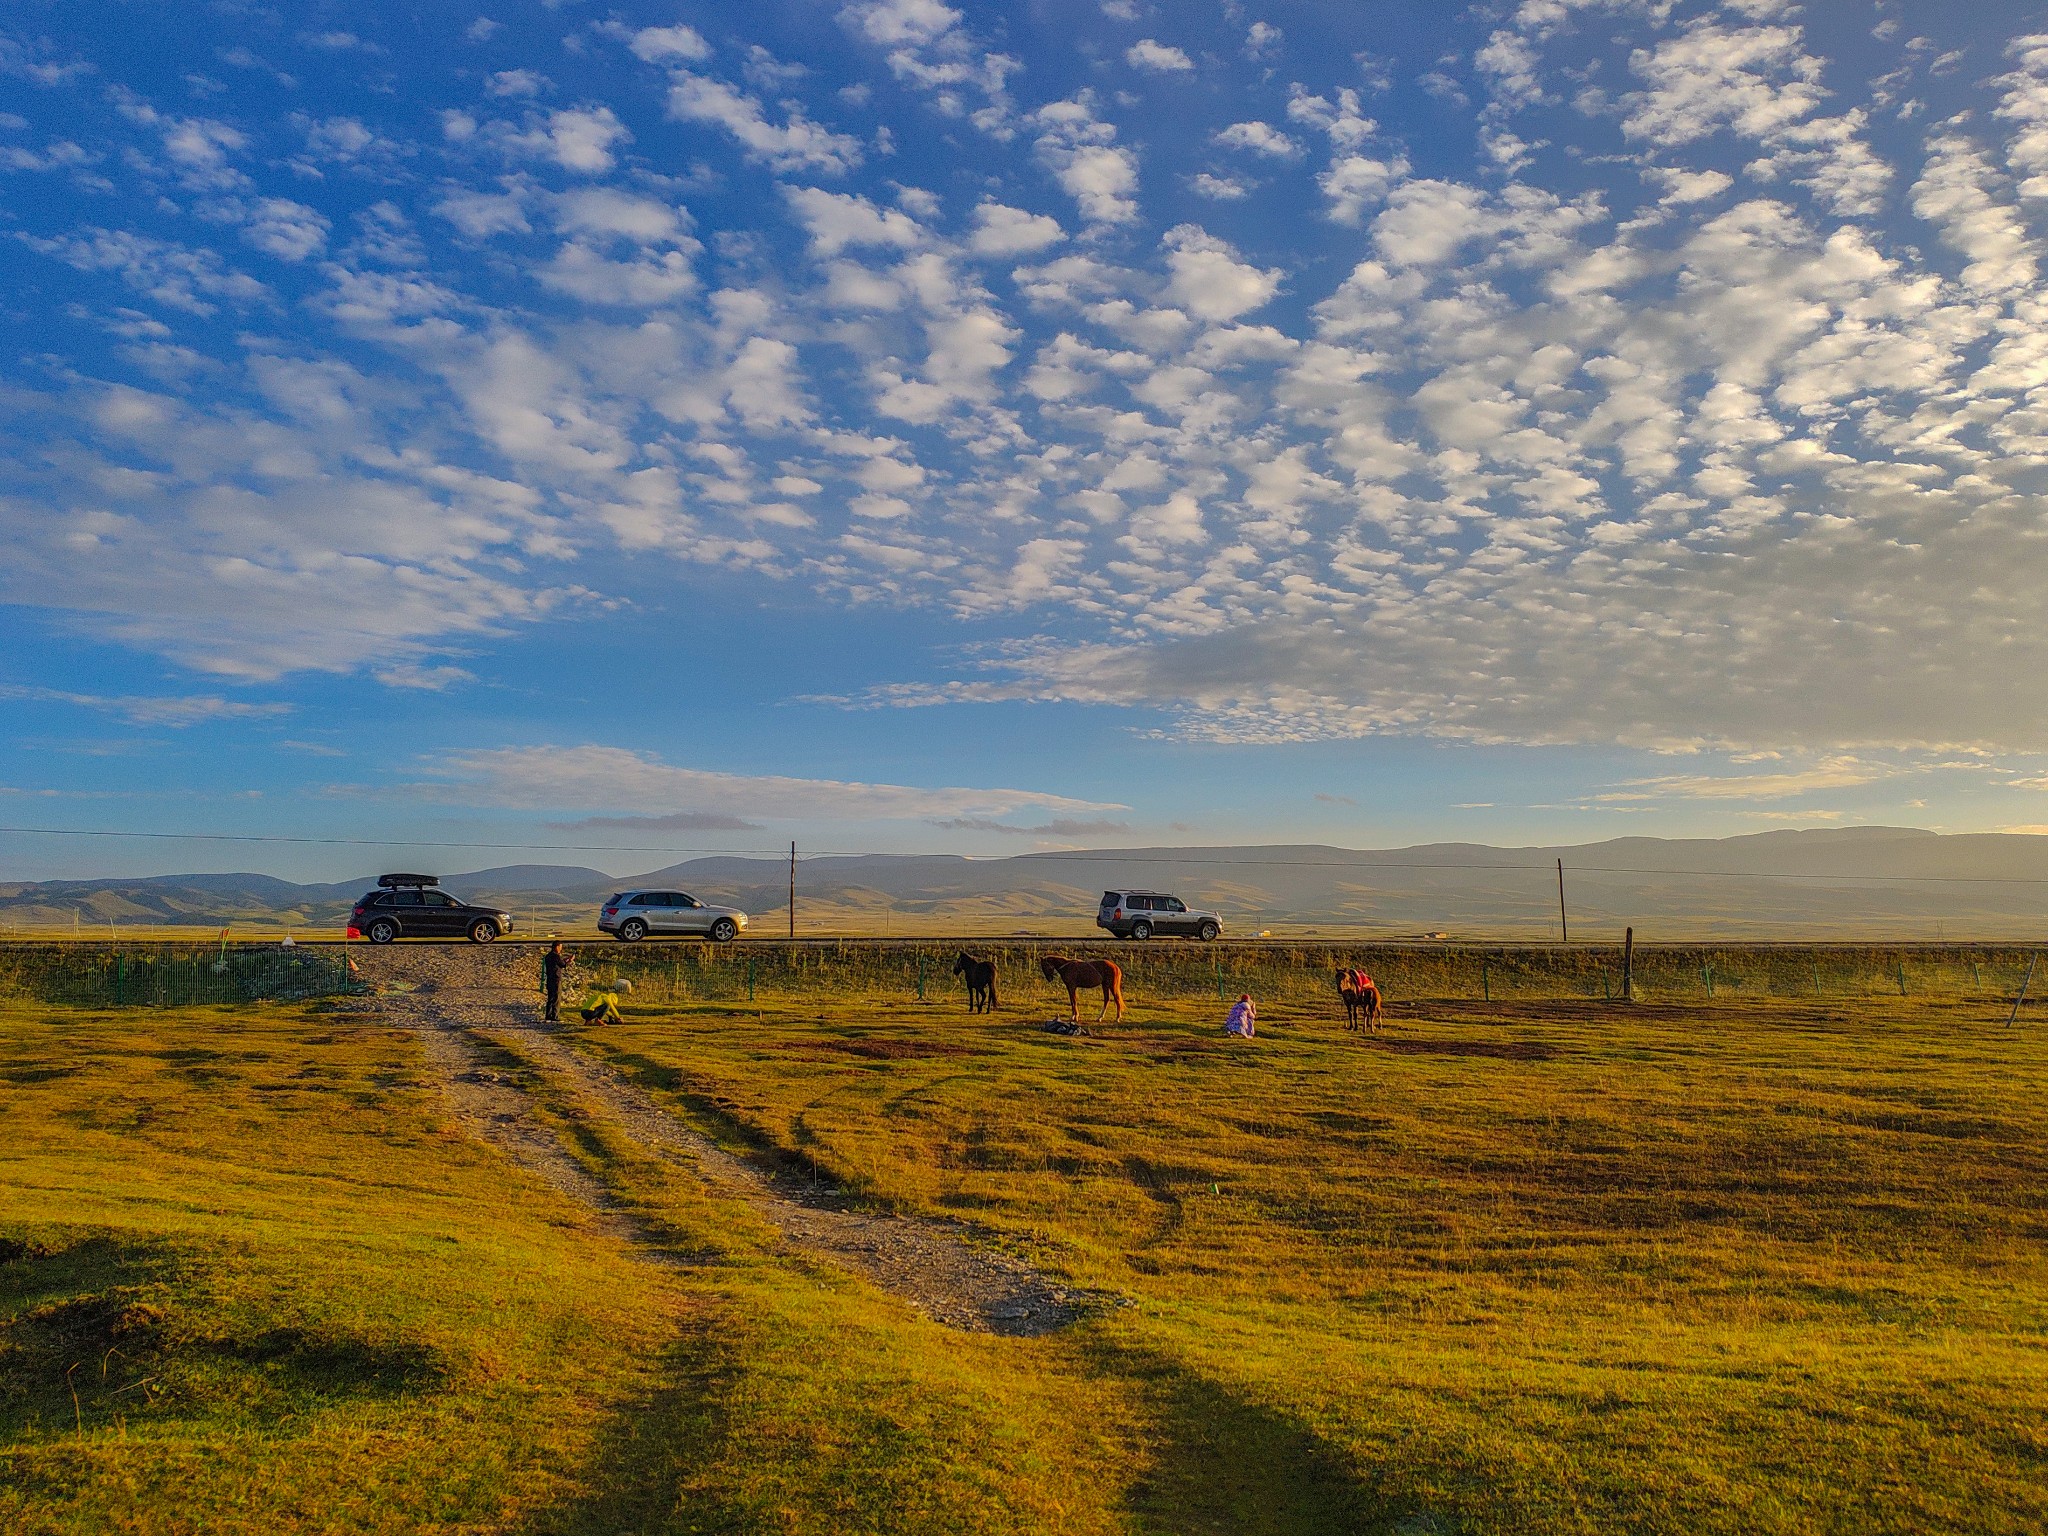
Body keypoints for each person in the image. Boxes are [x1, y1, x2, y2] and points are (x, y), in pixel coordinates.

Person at [541, 942, 572, 1024]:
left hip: (549, 979)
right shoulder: (556, 956)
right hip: (556, 979)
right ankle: (555, 1016)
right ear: (556, 947)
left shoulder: (548, 956)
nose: (561, 949)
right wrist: (570, 961)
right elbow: (562, 965)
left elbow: (558, 963)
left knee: (550, 998)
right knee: (556, 998)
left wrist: (564, 960)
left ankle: (548, 1016)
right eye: (560, 947)